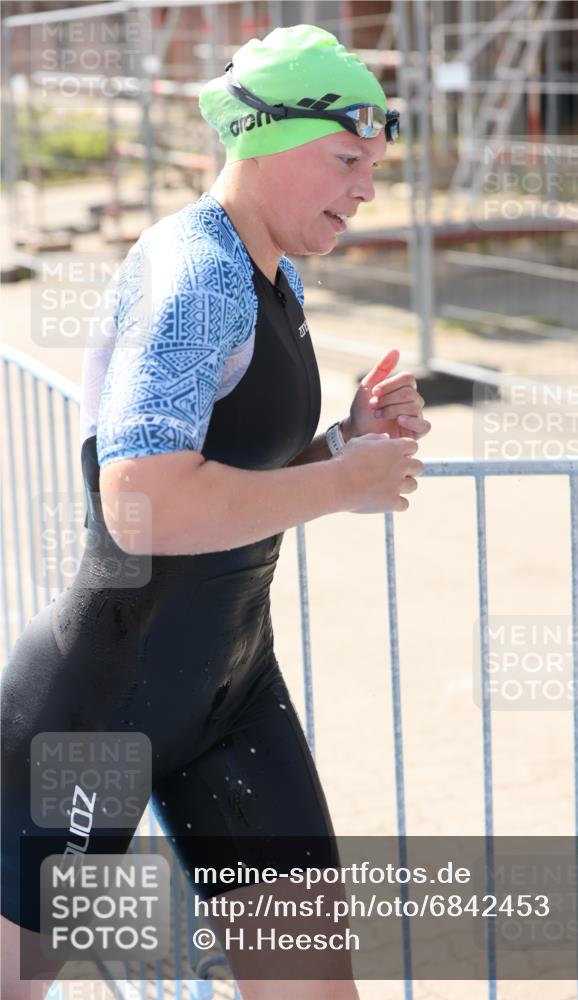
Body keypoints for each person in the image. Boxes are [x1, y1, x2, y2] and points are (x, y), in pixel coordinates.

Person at [1, 24, 431, 1000]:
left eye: (376, 162)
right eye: (348, 158)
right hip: (100, 708)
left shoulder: (269, 268)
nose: (369, 185)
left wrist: (338, 444)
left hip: (230, 698)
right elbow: (144, 503)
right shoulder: (193, 277)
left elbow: (226, 467)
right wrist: (342, 484)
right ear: (266, 137)